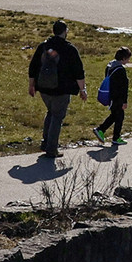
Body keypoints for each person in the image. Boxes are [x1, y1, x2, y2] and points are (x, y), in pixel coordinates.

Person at [27, 20, 86, 159]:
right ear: (65, 31)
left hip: (43, 88)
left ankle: (45, 142)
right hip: (62, 89)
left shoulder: (43, 46)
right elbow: (79, 72)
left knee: (51, 112)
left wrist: (31, 85)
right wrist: (82, 90)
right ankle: (51, 149)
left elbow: (33, 67)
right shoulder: (69, 49)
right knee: (57, 117)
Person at [92, 46, 132, 146]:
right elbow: (124, 88)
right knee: (119, 116)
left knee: (115, 115)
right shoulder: (121, 70)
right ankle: (114, 136)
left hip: (110, 96)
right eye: (127, 58)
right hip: (118, 97)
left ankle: (102, 130)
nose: (128, 60)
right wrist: (124, 101)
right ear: (123, 58)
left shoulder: (110, 66)